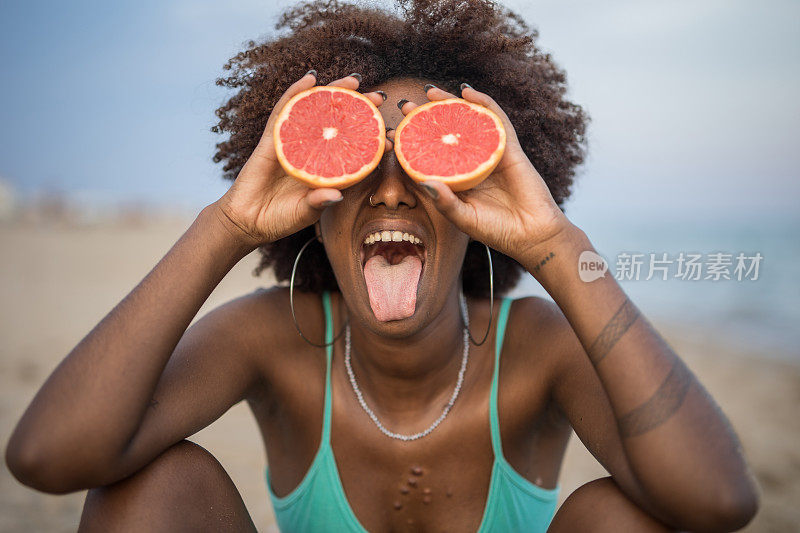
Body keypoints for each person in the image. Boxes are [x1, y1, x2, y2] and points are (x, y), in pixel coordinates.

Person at [6, 0, 758, 531]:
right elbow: (49, 456)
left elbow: (717, 501)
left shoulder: (536, 350)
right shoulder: (273, 339)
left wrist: (558, 244)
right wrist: (228, 223)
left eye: (425, 162)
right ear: (313, 203)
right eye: (360, 160)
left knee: (620, 514)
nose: (392, 188)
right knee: (148, 489)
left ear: (478, 191)